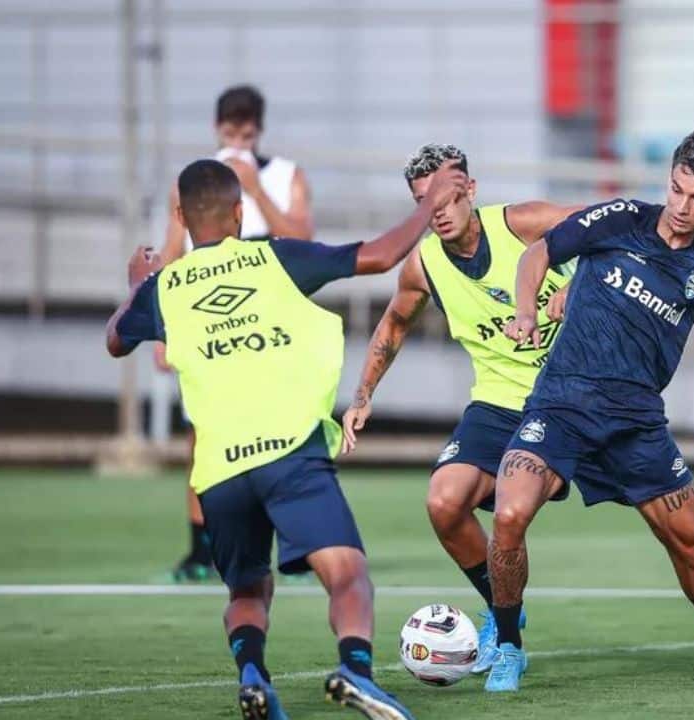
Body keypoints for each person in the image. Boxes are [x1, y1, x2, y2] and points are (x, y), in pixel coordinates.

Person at [107, 157, 465, 719]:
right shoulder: (273, 257)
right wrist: (430, 201)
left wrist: (138, 284)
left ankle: (253, 676)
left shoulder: (166, 288)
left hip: (219, 471)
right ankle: (357, 671)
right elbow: (379, 255)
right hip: (289, 452)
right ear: (239, 211)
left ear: (180, 216)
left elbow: (115, 340)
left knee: (247, 592)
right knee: (347, 575)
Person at [483, 128, 694, 693]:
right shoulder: (620, 219)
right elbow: (539, 252)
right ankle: (507, 646)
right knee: (508, 516)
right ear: (669, 179)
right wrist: (527, 311)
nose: (682, 206)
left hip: (636, 422)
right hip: (563, 403)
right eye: (677, 189)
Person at [342, 143, 578, 672]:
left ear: (470, 190)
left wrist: (579, 284)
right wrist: (363, 394)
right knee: (444, 502)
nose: (437, 212)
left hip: (566, 399)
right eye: (423, 203)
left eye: (445, 197)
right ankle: (503, 617)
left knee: (675, 523)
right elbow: (395, 323)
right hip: (494, 403)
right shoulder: (423, 263)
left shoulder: (524, 223)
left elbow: (610, 228)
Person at [159, 85, 316, 582]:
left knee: (285, 433)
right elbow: (171, 256)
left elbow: (304, 242)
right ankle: (201, 549)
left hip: (270, 326)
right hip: (209, 324)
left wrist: (256, 188)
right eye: (230, 132)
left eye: (246, 133)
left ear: (259, 132)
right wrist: (163, 333)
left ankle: (298, 545)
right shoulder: (194, 183)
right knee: (203, 436)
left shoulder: (285, 175)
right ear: (216, 130)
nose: (238, 140)